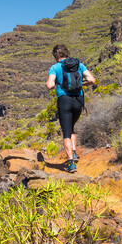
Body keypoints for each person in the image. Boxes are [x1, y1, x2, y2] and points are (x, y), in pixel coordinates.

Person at [46, 44, 95, 173]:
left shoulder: (55, 67)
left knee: (66, 132)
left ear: (55, 56)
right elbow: (92, 80)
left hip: (64, 100)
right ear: (66, 53)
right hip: (78, 100)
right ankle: (73, 152)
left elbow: (49, 85)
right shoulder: (79, 64)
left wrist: (59, 84)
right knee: (72, 127)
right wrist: (80, 84)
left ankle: (71, 163)